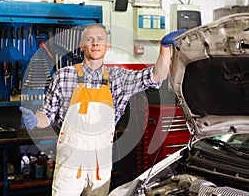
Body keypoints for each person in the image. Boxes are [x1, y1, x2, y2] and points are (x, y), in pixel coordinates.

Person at [19, 24, 185, 196]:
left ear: (108, 46)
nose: (95, 43)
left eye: (100, 39)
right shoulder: (63, 76)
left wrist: (165, 48)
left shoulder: (119, 77)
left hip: (101, 163)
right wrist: (35, 120)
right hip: (70, 162)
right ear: (81, 45)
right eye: (89, 39)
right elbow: (47, 114)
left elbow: (157, 76)